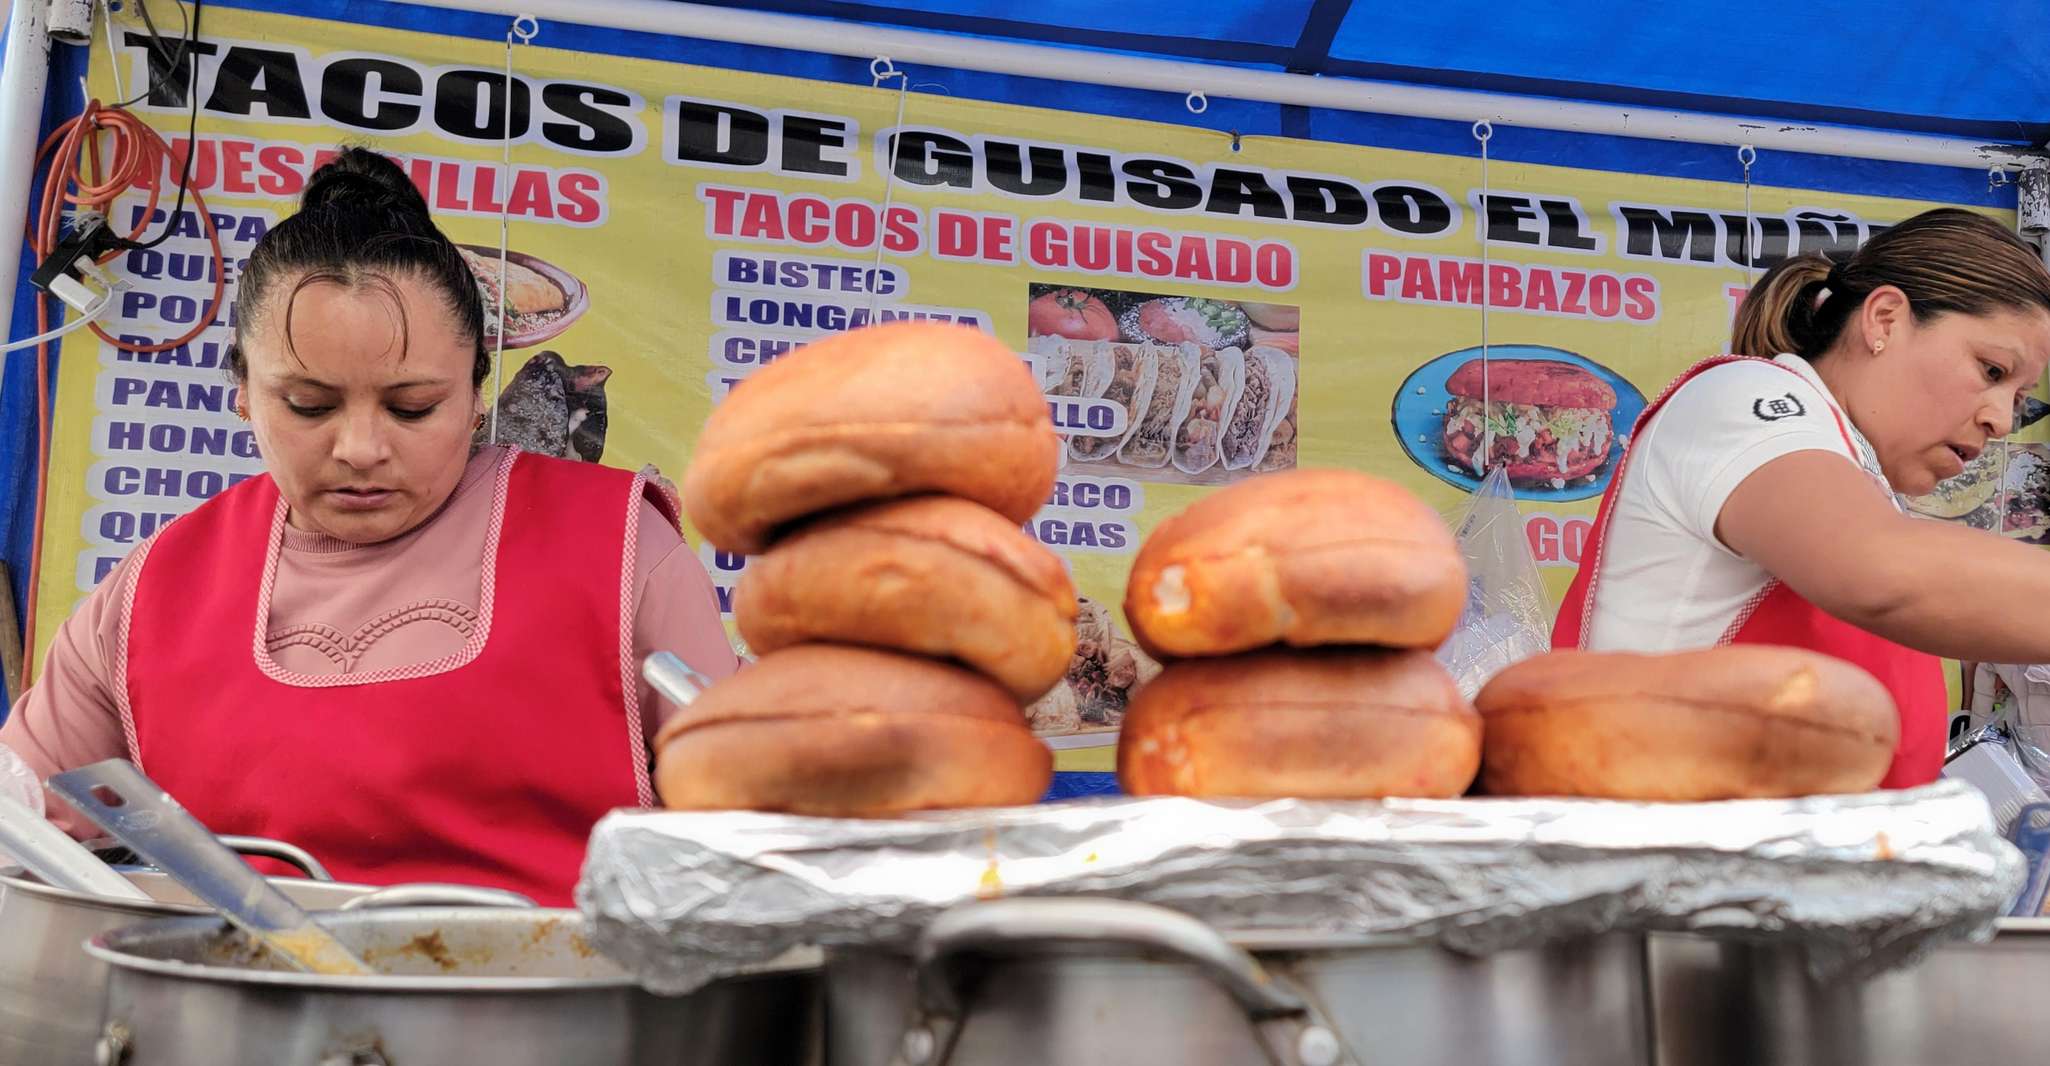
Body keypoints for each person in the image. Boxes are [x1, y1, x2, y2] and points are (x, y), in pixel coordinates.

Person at [0, 148, 738, 904]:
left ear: (477, 390)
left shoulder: (618, 550)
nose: (360, 449)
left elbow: (756, 832)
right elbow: (13, 823)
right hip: (238, 1012)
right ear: (244, 393)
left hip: (557, 1011)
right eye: (309, 405)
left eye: (412, 407)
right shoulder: (155, 592)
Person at [1554, 207, 2050, 789]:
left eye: (2021, 401)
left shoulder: (1866, 490)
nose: (1999, 420)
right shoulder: (1745, 397)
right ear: (1884, 319)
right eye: (1992, 370)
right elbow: (1881, 571)